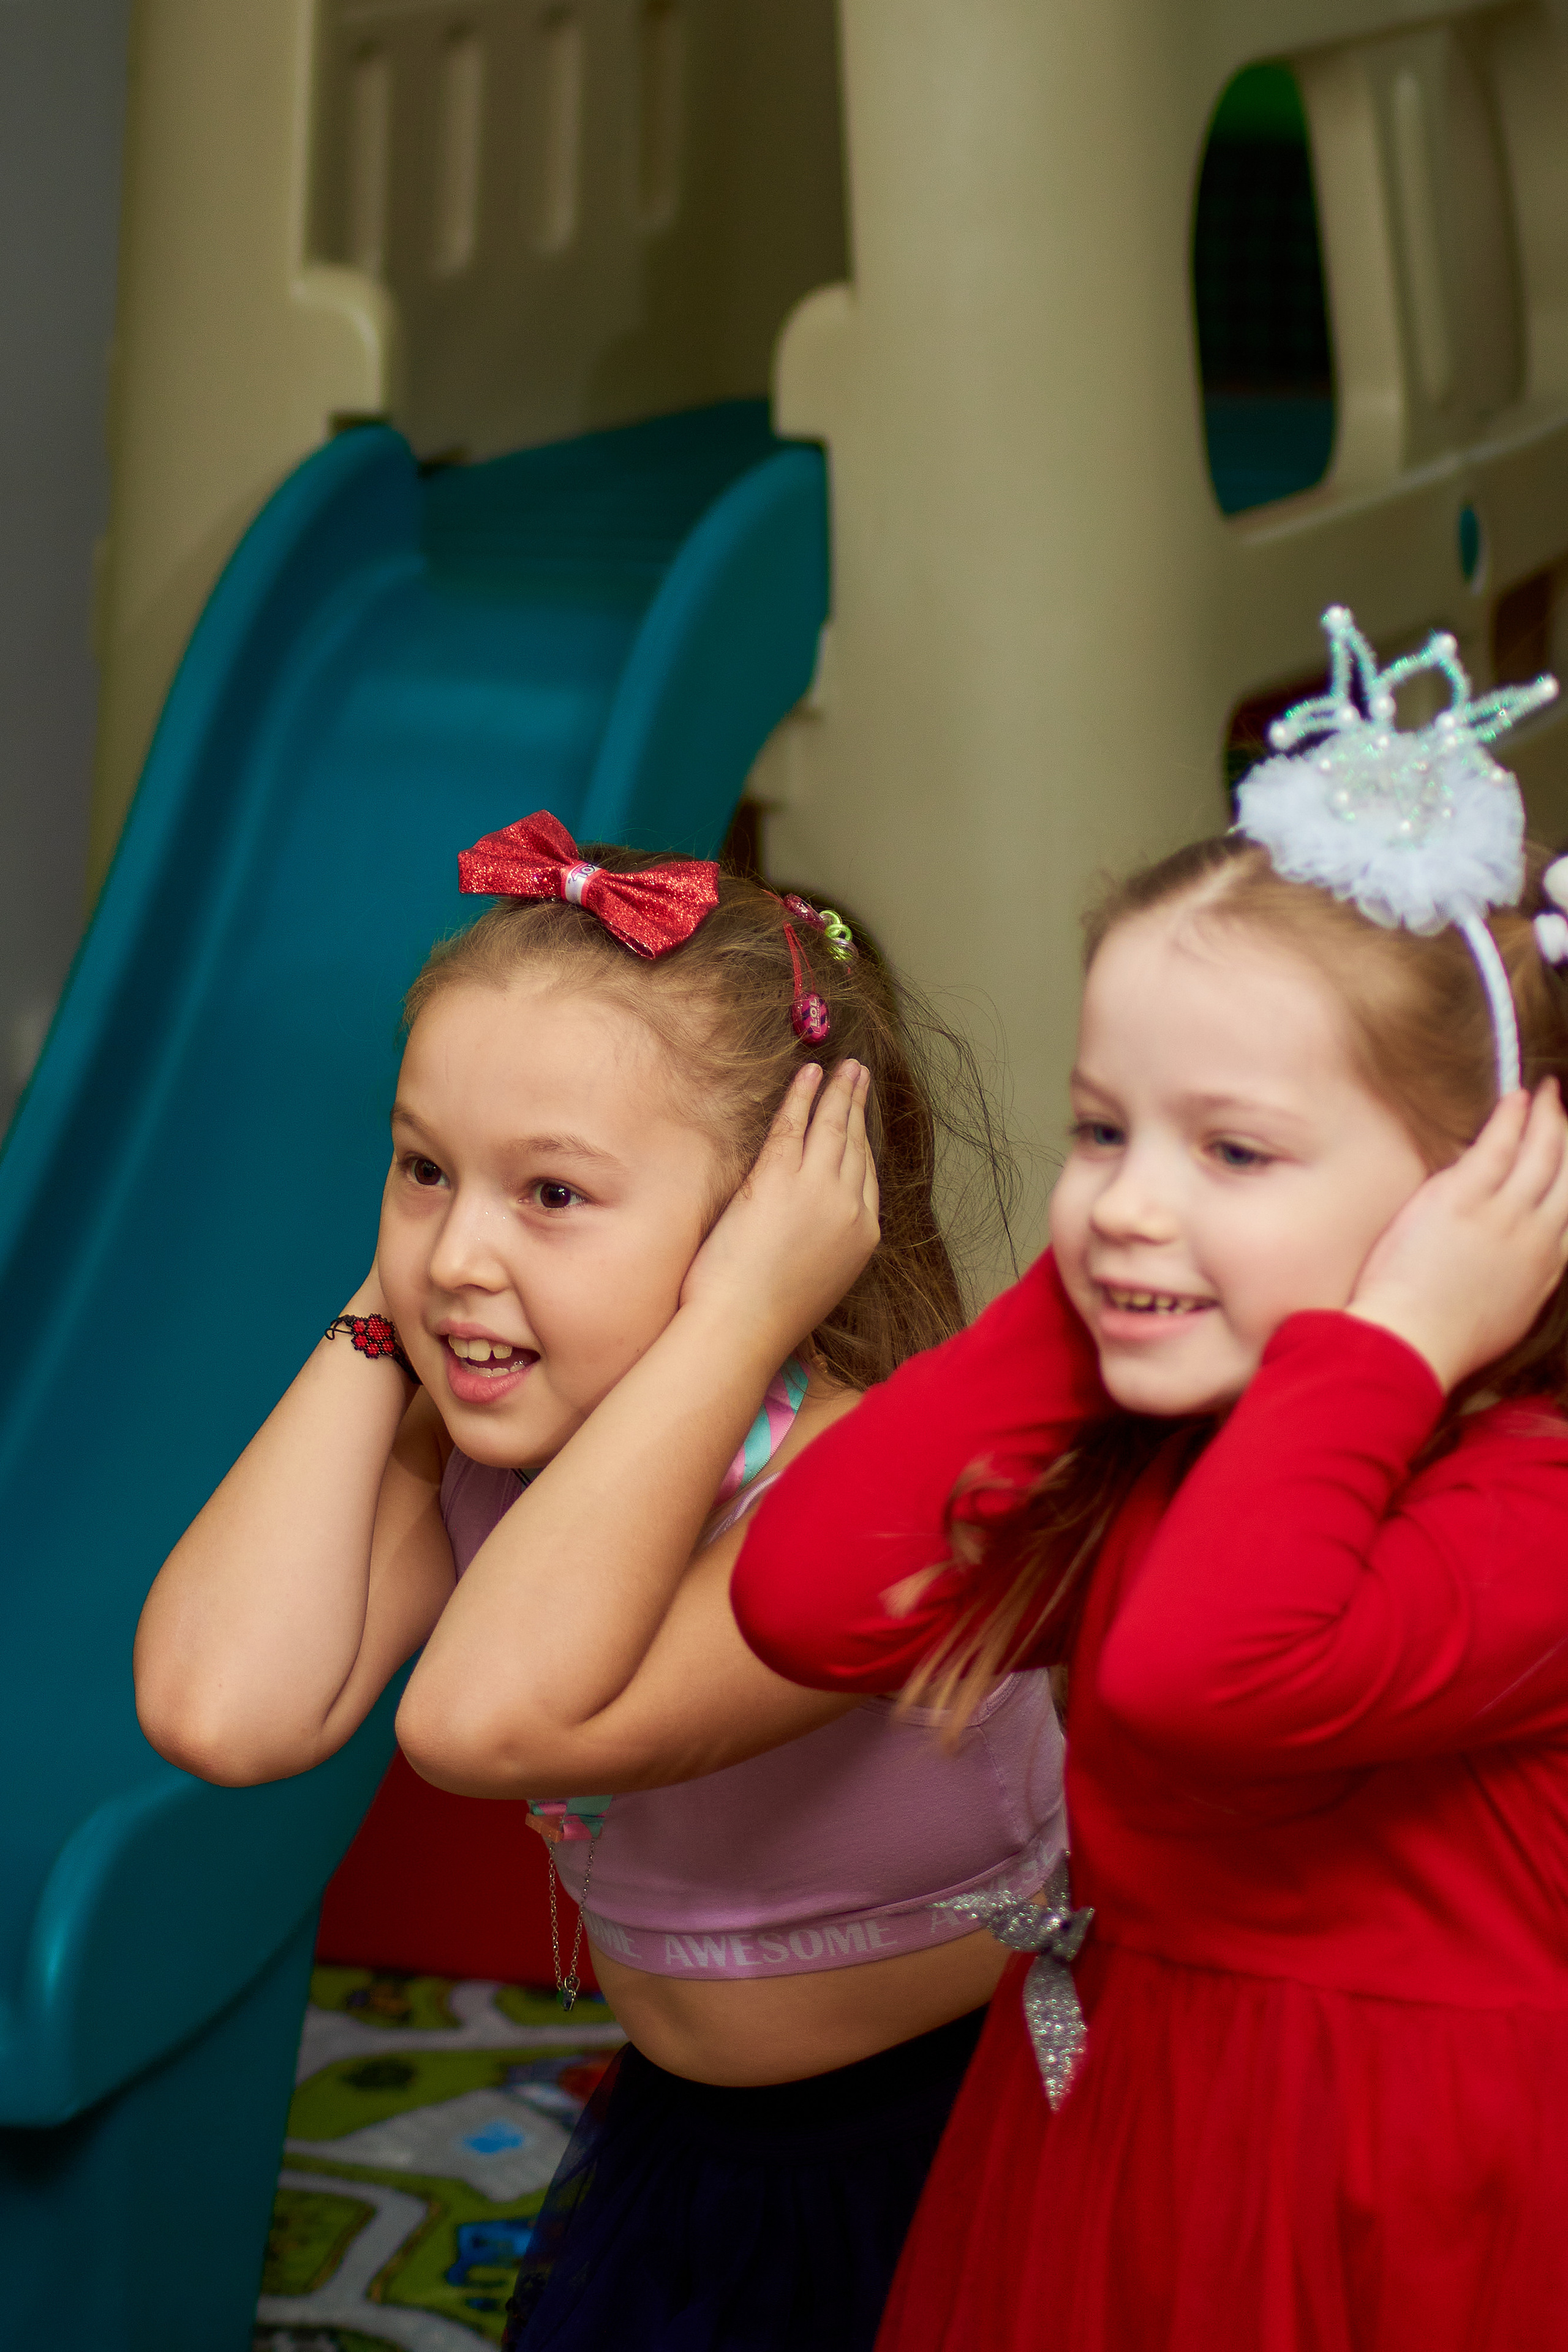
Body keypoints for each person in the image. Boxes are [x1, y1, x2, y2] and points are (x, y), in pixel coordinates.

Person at [731, 609, 1568, 2350]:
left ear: (1478, 1195)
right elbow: (803, 1595)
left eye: (1235, 1148)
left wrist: (1392, 1341)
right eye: (1104, 1128)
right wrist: (1092, 1296)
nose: (1125, 1195)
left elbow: (1203, 1677)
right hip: (1135, 2118)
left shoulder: (1535, 1505)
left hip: (1409, 2194)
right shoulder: (1174, 1441)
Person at [134, 810, 1068, 2352]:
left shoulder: (885, 1489)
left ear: (768, 1216)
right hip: (702, 2149)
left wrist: (738, 1313)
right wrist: (390, 1295)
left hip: (961, 2146)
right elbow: (224, 1710)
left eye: (551, 1194)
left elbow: (484, 1720)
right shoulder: (492, 1450)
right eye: (422, 1167)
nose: (459, 1255)